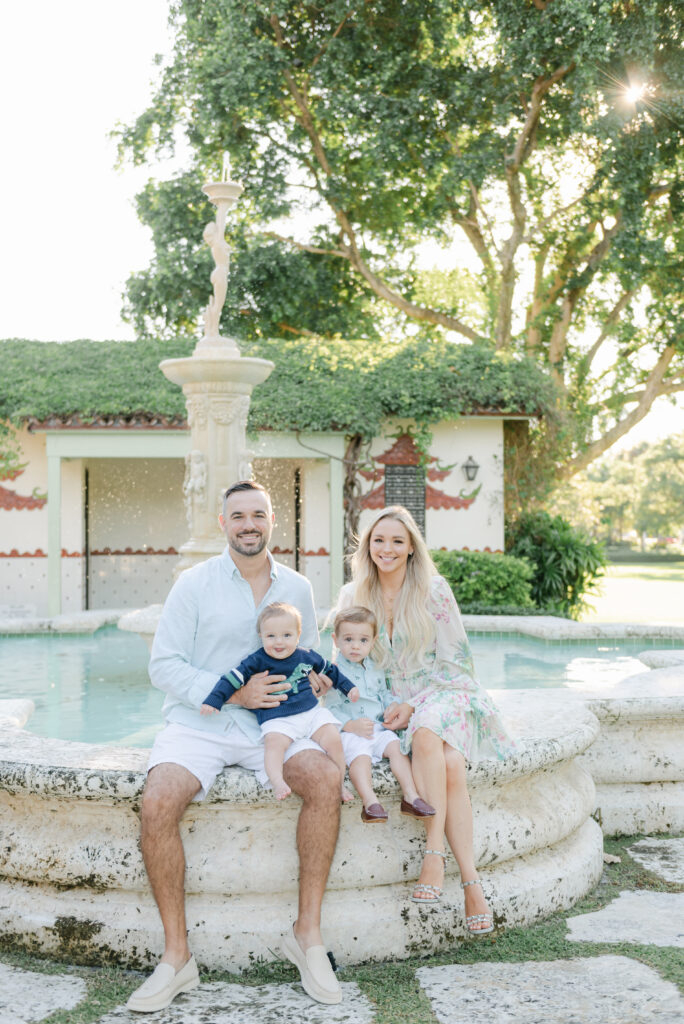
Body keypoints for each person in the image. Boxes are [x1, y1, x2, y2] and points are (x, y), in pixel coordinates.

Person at [126, 481, 344, 1013]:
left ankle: (306, 936)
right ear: (223, 523)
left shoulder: (297, 586)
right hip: (202, 723)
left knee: (326, 780)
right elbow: (164, 665)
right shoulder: (192, 584)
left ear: (272, 522)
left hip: (278, 726)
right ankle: (177, 957)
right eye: (238, 516)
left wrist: (316, 685)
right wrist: (235, 693)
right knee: (157, 801)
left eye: (259, 515)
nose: (249, 524)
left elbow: (310, 656)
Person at [336, 506, 516, 935]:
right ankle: (473, 885)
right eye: (379, 540)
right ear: (367, 546)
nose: (387, 549)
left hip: (442, 692)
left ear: (412, 548)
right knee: (451, 765)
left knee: (427, 727)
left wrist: (414, 705)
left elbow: (456, 664)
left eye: (398, 541)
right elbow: (343, 664)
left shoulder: (434, 590)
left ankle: (433, 855)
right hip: (385, 703)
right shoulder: (353, 596)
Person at [201, 601, 360, 801]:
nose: (279, 642)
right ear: (261, 636)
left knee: (333, 739)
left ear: (298, 635)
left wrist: (349, 687)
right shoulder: (257, 660)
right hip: (278, 717)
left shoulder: (305, 655)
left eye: (286, 635)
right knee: (274, 744)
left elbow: (330, 670)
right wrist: (214, 700)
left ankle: (339, 784)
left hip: (310, 712)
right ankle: (277, 781)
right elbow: (232, 679)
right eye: (271, 636)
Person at [324, 606, 436, 825]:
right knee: (360, 756)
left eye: (363, 640)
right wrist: (350, 725)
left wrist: (391, 705)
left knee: (396, 748)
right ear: (335, 640)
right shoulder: (333, 672)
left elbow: (382, 692)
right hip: (351, 732)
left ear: (373, 641)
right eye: (348, 639)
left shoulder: (375, 667)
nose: (356, 646)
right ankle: (370, 802)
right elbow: (330, 709)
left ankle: (411, 796)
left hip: (377, 727)